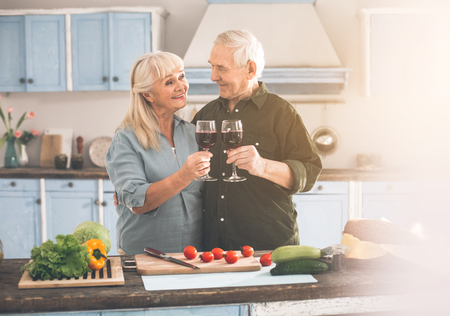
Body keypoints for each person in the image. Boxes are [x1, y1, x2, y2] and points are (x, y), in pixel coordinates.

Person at [192, 30, 322, 251]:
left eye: (221, 68)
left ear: (250, 69)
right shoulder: (206, 115)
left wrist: (263, 166)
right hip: (213, 248)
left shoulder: (281, 112)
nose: (213, 76)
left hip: (268, 246)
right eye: (212, 66)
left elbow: (309, 173)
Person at [105, 52, 212, 256]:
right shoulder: (126, 138)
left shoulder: (192, 133)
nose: (181, 86)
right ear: (148, 94)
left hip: (193, 253)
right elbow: (138, 203)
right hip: (145, 254)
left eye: (181, 76)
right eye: (169, 82)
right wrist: (183, 176)